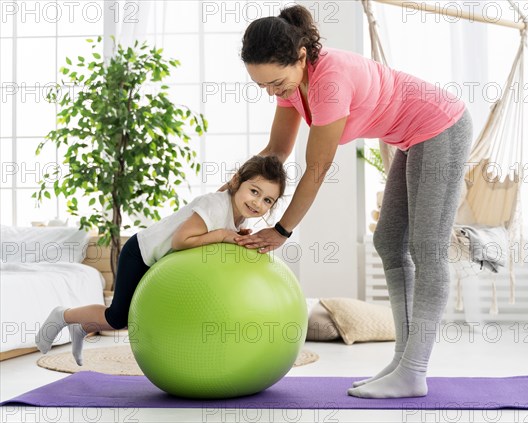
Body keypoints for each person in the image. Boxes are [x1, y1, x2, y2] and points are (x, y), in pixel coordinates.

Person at [235, 5, 473, 399]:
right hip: (413, 139)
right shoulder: (292, 86)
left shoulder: (329, 81)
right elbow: (277, 151)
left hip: (441, 127)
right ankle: (402, 362)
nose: (272, 92)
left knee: (427, 249)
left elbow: (317, 168)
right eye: (263, 86)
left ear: (300, 57)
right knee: (389, 242)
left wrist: (281, 231)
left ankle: (414, 371)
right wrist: (237, 186)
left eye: (276, 82)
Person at [35, 155, 287, 366]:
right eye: (254, 191)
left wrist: (233, 235)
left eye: (267, 200)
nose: (257, 202)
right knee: (117, 318)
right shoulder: (214, 204)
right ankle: (65, 316)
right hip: (140, 253)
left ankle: (80, 327)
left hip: (160, 265)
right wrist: (222, 235)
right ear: (236, 182)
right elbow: (181, 241)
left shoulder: (235, 215)